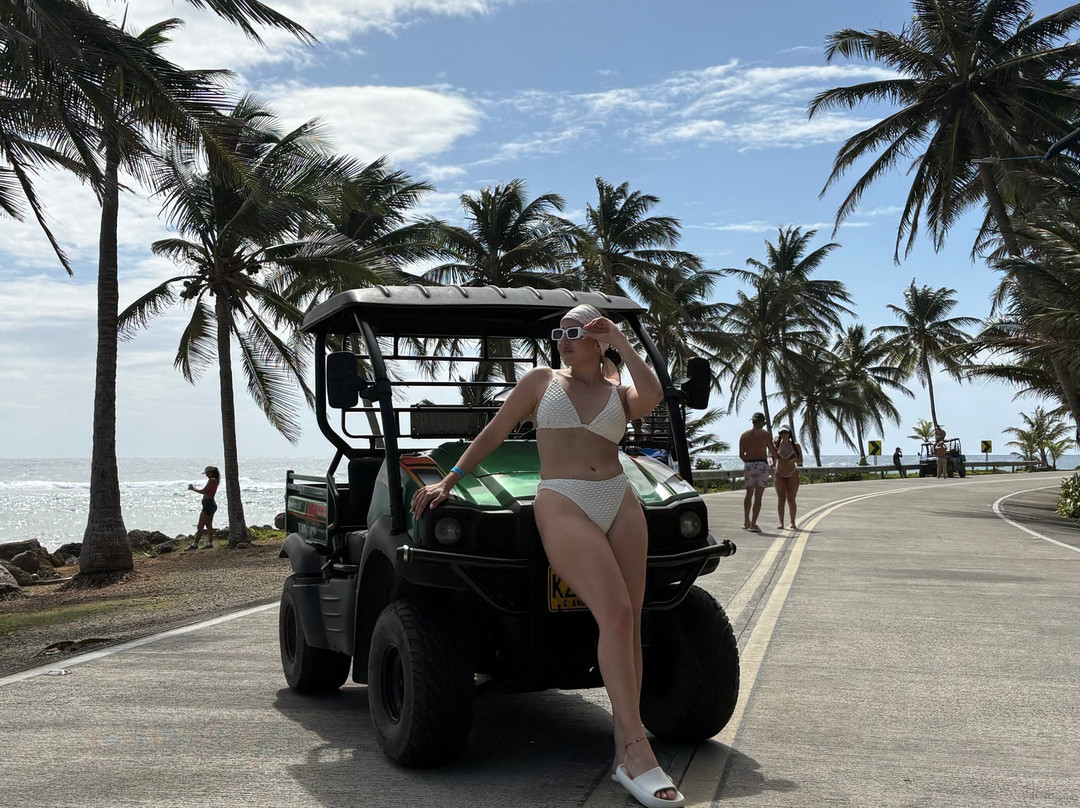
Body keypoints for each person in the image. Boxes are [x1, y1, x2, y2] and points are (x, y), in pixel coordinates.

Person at [410, 305, 683, 808]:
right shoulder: (542, 381)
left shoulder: (618, 392)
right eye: (560, 331)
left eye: (576, 331)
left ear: (598, 339)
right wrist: (450, 479)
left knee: (630, 622)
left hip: (620, 500)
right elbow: (495, 430)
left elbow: (653, 394)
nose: (564, 338)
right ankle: (636, 750)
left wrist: (621, 339)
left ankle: (625, 744)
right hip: (563, 499)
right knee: (616, 613)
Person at [739, 412, 774, 532]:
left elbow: (741, 454)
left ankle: (746, 521)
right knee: (758, 496)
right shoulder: (765, 434)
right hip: (762, 464)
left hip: (749, 464)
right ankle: (753, 524)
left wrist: (749, 462)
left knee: (748, 493)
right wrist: (774, 461)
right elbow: (773, 450)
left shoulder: (744, 435)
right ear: (762, 422)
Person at [771, 427, 803, 530]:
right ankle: (781, 523)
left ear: (789, 433)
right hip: (779, 473)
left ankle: (792, 522)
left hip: (792, 474)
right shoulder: (777, 445)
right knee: (781, 499)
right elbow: (773, 458)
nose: (783, 434)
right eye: (781, 432)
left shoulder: (795, 445)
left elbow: (800, 460)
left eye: (785, 432)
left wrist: (793, 460)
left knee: (791, 499)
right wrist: (772, 464)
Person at [186, 466, 220, 550]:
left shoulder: (212, 480)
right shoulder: (215, 480)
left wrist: (193, 488)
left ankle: (195, 544)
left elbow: (204, 491)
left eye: (207, 473)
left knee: (200, 525)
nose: (206, 475)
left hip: (208, 504)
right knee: (208, 525)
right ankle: (209, 543)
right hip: (209, 504)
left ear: (211, 472)